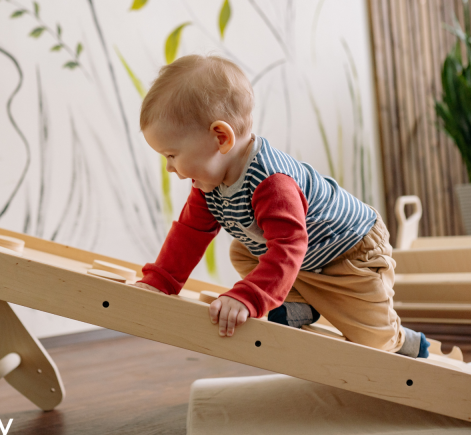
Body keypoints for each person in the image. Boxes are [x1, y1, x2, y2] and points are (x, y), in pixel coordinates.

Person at [132, 54, 429, 358]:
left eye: (171, 155)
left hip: (351, 251)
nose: (169, 168)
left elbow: (289, 246)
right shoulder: (208, 184)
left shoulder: (271, 183)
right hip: (306, 255)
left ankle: (405, 341)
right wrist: (160, 282)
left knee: (374, 342)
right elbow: (189, 233)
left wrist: (249, 296)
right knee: (243, 250)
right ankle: (299, 304)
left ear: (221, 138)